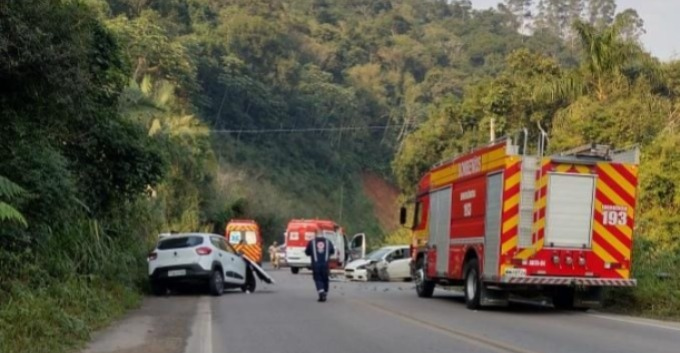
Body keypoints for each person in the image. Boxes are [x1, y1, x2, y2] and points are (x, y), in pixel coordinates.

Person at [305, 227, 335, 302]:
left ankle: (321, 292)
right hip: (325, 264)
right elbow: (332, 251)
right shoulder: (328, 242)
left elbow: (307, 252)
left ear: (315, 234)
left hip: (316, 264)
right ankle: (325, 292)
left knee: (318, 278)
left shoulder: (312, 242)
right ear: (323, 234)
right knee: (325, 279)